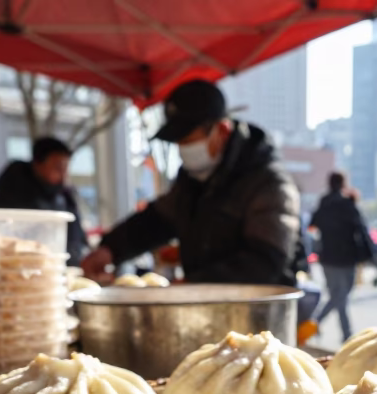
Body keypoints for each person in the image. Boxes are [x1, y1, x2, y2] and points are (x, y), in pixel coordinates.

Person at [80, 80, 300, 286]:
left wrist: (191, 287)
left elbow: (265, 262)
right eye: (178, 143)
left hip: (259, 317)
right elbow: (156, 220)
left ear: (221, 131)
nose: (182, 150)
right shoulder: (192, 180)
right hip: (206, 310)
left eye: (187, 140)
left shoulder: (268, 183)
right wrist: (110, 249)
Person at [0, 136, 88, 266]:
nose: (64, 175)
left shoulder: (65, 196)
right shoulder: (15, 194)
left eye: (66, 169)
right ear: (38, 164)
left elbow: (77, 238)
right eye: (58, 168)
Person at [308, 171, 370, 339]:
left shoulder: (324, 203)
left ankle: (314, 322)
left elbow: (312, 225)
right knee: (341, 295)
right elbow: (361, 230)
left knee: (338, 295)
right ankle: (347, 334)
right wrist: (368, 253)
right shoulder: (348, 204)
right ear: (344, 184)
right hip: (347, 258)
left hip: (327, 257)